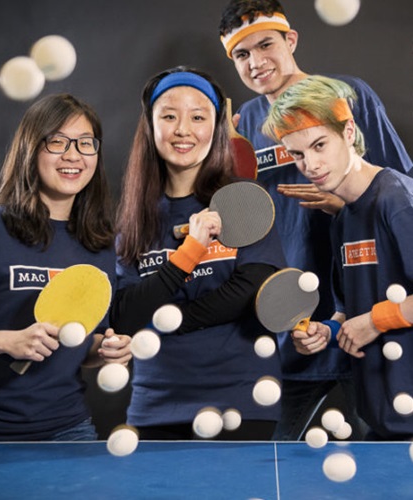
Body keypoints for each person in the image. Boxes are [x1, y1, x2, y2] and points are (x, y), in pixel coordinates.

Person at [218, 0, 412, 441]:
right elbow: (248, 213)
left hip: (372, 317)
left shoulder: (347, 95)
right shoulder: (246, 120)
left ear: (291, 40)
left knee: (385, 450)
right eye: (242, 55)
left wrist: (344, 204)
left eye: (265, 44)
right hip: (298, 320)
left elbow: (396, 186)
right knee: (276, 463)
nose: (256, 62)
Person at [0, 93, 131, 442]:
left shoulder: (101, 244)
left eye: (85, 143)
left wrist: (105, 349)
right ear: (31, 149)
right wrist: (8, 341)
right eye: (57, 141)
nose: (73, 155)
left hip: (63, 429)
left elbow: (81, 342)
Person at [110, 65, 287, 440]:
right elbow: (125, 314)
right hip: (156, 403)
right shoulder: (135, 219)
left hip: (243, 399)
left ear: (215, 126)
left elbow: (252, 288)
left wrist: (164, 320)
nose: (183, 130)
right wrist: (189, 252)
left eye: (198, 117)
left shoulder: (245, 201)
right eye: (169, 116)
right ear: (151, 126)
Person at [262, 74, 413, 440]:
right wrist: (325, 332)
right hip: (383, 421)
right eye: (297, 154)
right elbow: (351, 311)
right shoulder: (343, 218)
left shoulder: (397, 200)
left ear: (348, 132)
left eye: (319, 145)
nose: (310, 165)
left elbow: (373, 318)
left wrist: (377, 320)